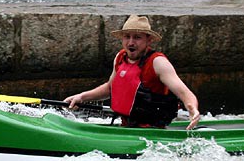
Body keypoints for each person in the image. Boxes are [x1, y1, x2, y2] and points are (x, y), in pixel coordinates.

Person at [64, 15, 201, 129]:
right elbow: (110, 88)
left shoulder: (158, 63)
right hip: (126, 126)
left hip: (152, 130)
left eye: (137, 37)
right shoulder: (120, 58)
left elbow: (185, 93)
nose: (131, 42)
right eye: (127, 37)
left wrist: (192, 109)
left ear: (149, 40)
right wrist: (82, 96)